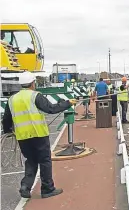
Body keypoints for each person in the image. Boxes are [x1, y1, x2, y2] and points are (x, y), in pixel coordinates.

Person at [1, 71, 77, 199]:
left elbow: (6, 119)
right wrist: (68, 103)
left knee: (31, 161)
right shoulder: (35, 96)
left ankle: (25, 186)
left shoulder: (12, 99)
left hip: (23, 136)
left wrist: (8, 130)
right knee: (45, 161)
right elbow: (51, 109)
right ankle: (47, 189)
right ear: (32, 83)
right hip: (38, 134)